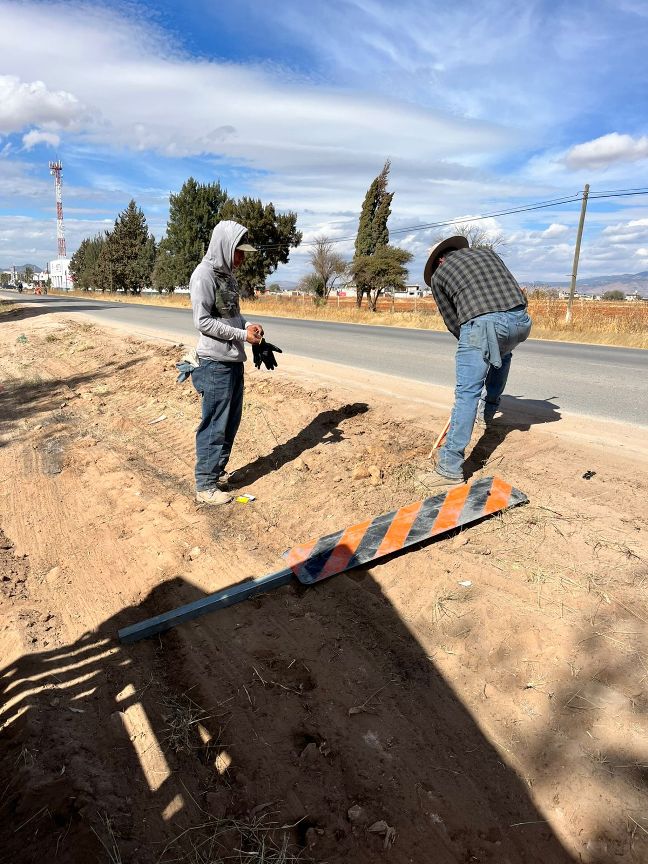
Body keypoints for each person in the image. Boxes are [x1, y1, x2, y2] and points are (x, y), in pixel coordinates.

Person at [420, 235, 532, 488]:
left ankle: (448, 469)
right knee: (502, 355)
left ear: (437, 260)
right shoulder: (489, 254)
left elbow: (452, 321)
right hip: (521, 321)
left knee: (466, 393)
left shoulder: (440, 275)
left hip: (484, 325)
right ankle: (489, 413)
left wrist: (472, 344)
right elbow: (514, 291)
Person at [189, 220, 264, 506]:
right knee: (214, 424)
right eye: (239, 252)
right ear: (225, 247)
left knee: (230, 422)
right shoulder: (203, 276)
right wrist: (241, 335)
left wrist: (249, 326)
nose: (242, 258)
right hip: (214, 364)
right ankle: (205, 485)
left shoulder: (228, 278)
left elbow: (232, 317)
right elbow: (203, 322)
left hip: (233, 362)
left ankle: (215, 474)